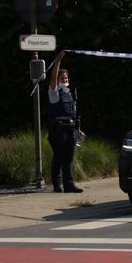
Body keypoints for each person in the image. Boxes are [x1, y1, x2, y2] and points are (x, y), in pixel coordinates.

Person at [47, 50, 83, 193]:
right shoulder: (54, 93)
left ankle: (69, 185)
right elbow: (53, 79)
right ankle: (57, 184)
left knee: (68, 157)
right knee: (59, 156)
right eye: (62, 77)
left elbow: (74, 114)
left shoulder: (70, 93)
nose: (65, 79)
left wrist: (78, 129)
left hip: (70, 128)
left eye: (66, 77)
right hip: (58, 129)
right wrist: (58, 61)